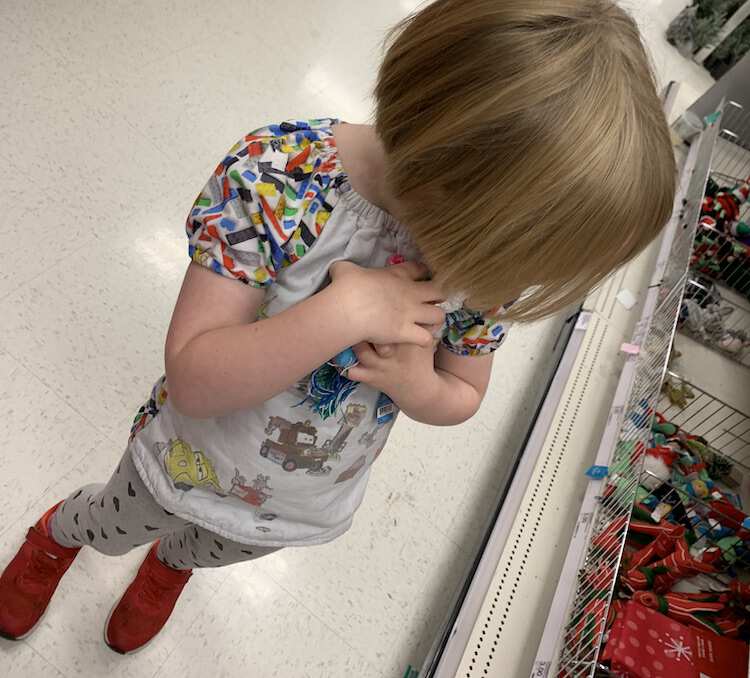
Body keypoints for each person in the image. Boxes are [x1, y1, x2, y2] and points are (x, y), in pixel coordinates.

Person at [0, 0, 676, 655]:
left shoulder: (485, 267)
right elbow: (195, 378)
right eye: (510, 263)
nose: (502, 286)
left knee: (203, 550)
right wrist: (343, 313)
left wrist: (416, 383)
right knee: (117, 523)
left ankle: (171, 568)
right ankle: (58, 538)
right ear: (446, 170)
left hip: (298, 502)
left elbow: (462, 394)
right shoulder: (280, 179)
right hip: (181, 458)